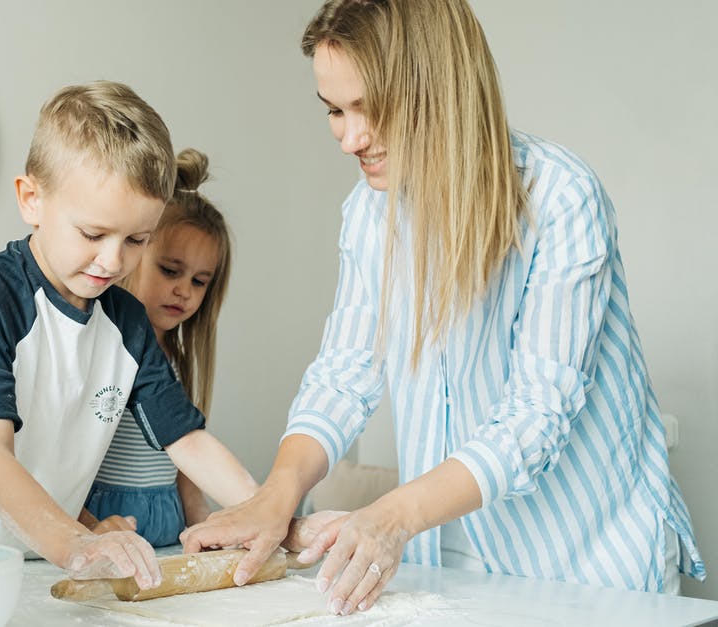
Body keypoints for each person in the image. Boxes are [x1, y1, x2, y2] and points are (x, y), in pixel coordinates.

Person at [181, 0, 705, 616]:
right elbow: (343, 376)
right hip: (454, 563)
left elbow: (535, 416)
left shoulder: (561, 198)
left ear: (439, 90)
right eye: (334, 111)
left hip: (591, 560)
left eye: (369, 109)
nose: (350, 138)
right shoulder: (369, 214)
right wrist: (278, 491)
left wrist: (392, 517)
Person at [0, 81, 258, 590]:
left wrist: (268, 516)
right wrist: (78, 544)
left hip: (37, 567)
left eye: (136, 240)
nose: (113, 260)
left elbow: (186, 440)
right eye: (93, 234)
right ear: (32, 199)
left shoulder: (126, 322)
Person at [79, 148, 234, 547]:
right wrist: (87, 525)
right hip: (106, 520)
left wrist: (200, 516)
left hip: (168, 521)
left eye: (199, 281)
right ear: (134, 254)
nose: (184, 290)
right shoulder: (104, 350)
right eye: (170, 271)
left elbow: (184, 454)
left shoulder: (177, 362)